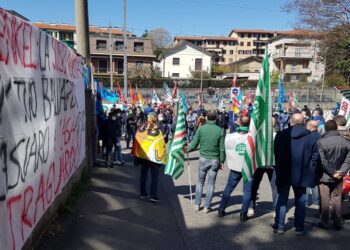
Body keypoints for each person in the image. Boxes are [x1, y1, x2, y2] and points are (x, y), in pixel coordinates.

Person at [273, 113, 319, 235]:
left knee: (282, 200)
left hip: (284, 172)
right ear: (303, 122)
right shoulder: (311, 137)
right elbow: (315, 156)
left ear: (291, 121)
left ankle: (279, 225)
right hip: (302, 173)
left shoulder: (281, 135)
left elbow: (276, 154)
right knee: (300, 201)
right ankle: (299, 227)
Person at [186, 110, 225, 213]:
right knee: (211, 184)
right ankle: (207, 207)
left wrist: (187, 150)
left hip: (203, 158)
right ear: (216, 118)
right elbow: (222, 148)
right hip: (215, 159)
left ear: (206, 118)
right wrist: (222, 161)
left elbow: (194, 144)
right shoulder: (220, 130)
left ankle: (197, 204)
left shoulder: (201, 129)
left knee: (200, 183)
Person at [316, 120, 350, 230]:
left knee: (325, 199)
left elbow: (322, 161)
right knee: (336, 198)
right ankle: (337, 222)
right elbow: (348, 160)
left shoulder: (321, 141)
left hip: (325, 175)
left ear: (325, 129)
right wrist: (340, 172)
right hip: (339, 175)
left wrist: (332, 172)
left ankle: (324, 222)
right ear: (336, 128)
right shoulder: (345, 142)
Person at [217, 116, 252, 222]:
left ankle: (221, 209)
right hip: (248, 167)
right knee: (247, 191)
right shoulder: (253, 137)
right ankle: (243, 214)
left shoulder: (230, 136)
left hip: (235, 166)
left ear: (239, 123)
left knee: (228, 188)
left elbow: (227, 149)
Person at [248, 117, 278, 217]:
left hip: (259, 163)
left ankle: (251, 207)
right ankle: (275, 209)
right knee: (275, 187)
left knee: (254, 186)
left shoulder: (259, 135)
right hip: (272, 163)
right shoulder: (277, 135)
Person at [137, 112, 163, 203]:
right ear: (155, 119)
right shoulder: (157, 131)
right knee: (154, 177)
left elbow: (137, 141)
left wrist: (137, 157)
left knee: (143, 175)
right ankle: (153, 195)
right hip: (153, 158)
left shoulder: (141, 129)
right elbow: (161, 145)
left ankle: (143, 193)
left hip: (143, 157)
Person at [305, 120, 321, 208]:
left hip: (310, 162)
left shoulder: (308, 137)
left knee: (307, 183)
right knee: (315, 183)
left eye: (307, 125)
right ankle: (316, 201)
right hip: (318, 163)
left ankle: (306, 201)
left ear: (310, 126)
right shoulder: (320, 136)